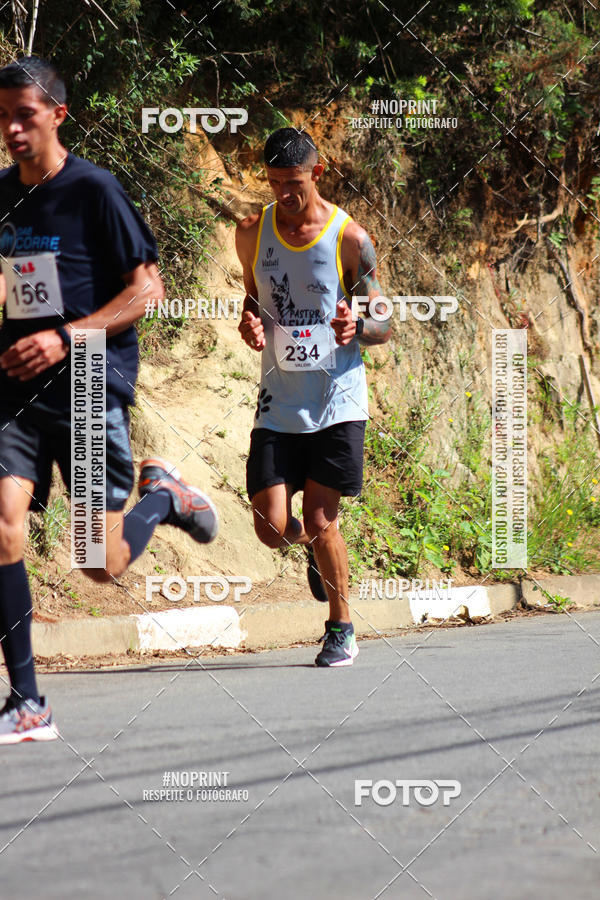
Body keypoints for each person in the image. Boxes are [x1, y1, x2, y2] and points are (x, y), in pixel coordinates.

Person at [0, 56, 218, 744]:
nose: (10, 129)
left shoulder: (94, 189)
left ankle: (162, 496)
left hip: (89, 378)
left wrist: (66, 338)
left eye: (23, 116)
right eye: (2, 116)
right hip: (12, 389)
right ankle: (28, 702)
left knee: (98, 562)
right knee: (1, 524)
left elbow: (147, 289)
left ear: (57, 115)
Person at [236, 127, 391, 667]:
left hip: (336, 401)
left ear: (317, 173)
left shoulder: (350, 238)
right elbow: (252, 300)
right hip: (279, 400)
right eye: (275, 182)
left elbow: (384, 320)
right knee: (272, 527)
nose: (284, 193)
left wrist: (359, 327)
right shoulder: (252, 232)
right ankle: (315, 554)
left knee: (323, 518)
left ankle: (341, 627)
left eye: (294, 182)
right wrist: (250, 325)